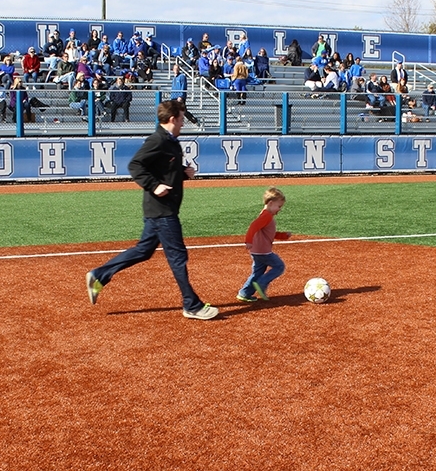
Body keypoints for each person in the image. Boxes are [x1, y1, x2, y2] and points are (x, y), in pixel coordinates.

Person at [85, 99, 219, 320]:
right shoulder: (157, 140)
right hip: (162, 211)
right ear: (173, 119)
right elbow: (135, 165)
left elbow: (164, 167)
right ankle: (191, 304)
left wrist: (182, 171)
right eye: (182, 119)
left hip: (161, 210)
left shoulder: (170, 141)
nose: (183, 123)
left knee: (143, 251)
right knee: (177, 257)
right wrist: (154, 185)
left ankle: (99, 275)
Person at [237, 186, 291, 302]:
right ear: (271, 203)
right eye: (279, 206)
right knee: (279, 266)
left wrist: (283, 236)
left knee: (257, 273)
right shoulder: (266, 215)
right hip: (263, 252)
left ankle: (245, 293)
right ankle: (262, 283)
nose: (279, 209)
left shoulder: (266, 215)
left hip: (257, 251)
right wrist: (248, 240)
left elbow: (269, 233)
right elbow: (254, 226)